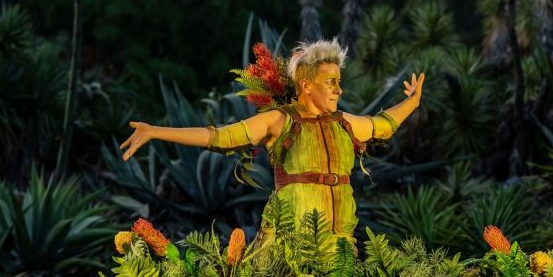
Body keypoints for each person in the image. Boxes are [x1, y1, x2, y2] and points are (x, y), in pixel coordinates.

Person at [120, 39, 425, 242]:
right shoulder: (280, 120)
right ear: (306, 85)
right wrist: (155, 131)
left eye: (339, 83)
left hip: (339, 245)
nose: (338, 90)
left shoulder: (343, 124)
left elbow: (381, 125)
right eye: (331, 83)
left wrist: (412, 102)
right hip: (292, 247)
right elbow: (220, 136)